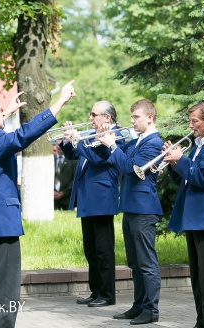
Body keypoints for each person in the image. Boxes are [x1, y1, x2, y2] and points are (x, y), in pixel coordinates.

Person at [0, 81, 76, 328]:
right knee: (2, 295)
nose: (4, 112)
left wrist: (5, 112)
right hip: (1, 224)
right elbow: (25, 134)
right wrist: (60, 102)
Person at [163, 102, 204, 328]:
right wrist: (174, 163)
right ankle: (202, 320)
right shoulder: (199, 145)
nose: (191, 126)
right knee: (198, 276)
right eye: (190, 121)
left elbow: (202, 177)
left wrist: (181, 160)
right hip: (193, 215)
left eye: (195, 122)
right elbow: (185, 178)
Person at [96, 98, 163, 325]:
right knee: (135, 264)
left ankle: (151, 310)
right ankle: (139, 305)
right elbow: (118, 157)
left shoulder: (153, 142)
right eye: (132, 117)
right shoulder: (138, 141)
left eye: (136, 117)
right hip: (131, 208)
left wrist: (113, 145)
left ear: (150, 118)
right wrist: (108, 136)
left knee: (147, 263)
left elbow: (129, 167)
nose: (132, 121)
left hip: (143, 209)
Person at [60, 100, 124, 308]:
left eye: (93, 114)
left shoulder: (116, 136)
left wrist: (78, 140)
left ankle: (107, 294)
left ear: (107, 117)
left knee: (104, 250)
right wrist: (68, 139)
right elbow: (72, 155)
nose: (90, 118)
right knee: (91, 249)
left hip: (102, 199)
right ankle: (96, 291)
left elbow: (98, 160)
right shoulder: (91, 136)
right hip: (87, 199)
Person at [53, 141, 76, 210]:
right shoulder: (50, 159)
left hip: (67, 199)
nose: (59, 146)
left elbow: (74, 178)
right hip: (51, 199)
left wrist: (63, 193)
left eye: (62, 144)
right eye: (57, 144)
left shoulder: (72, 160)